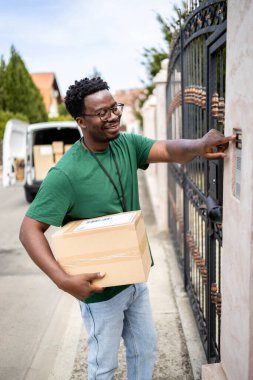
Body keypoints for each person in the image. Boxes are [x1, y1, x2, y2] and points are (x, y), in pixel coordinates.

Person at [19, 77, 235, 380]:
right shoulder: (65, 173)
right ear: (81, 121)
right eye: (102, 113)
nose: (113, 116)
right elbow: (29, 230)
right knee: (103, 367)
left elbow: (169, 150)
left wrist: (200, 146)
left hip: (134, 279)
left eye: (114, 107)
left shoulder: (126, 143)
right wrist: (63, 280)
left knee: (144, 351)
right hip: (100, 290)